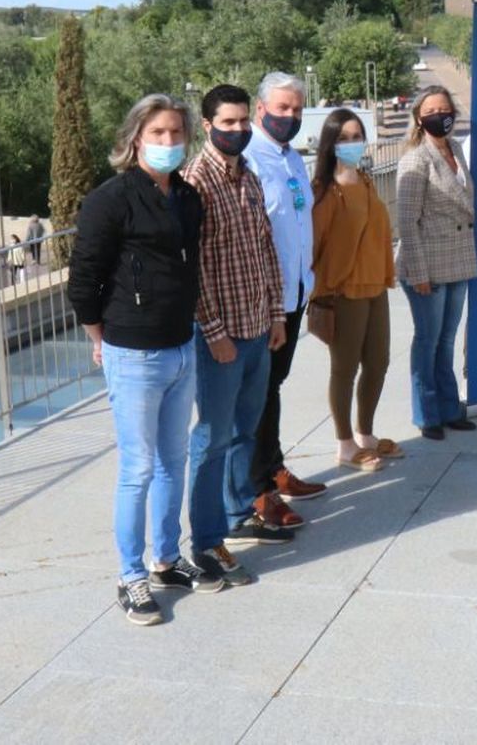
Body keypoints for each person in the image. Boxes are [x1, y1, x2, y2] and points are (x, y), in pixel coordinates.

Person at [68, 92, 225, 628]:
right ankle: (130, 575)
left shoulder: (186, 196)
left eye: (176, 134)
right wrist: (100, 337)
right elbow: (83, 282)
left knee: (172, 460)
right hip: (133, 352)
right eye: (157, 133)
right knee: (137, 468)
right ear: (135, 138)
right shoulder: (109, 201)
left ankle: (165, 558)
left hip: (182, 345)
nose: (168, 143)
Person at [184, 84, 291, 584]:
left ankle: (238, 511)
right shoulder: (196, 183)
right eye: (228, 123)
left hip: (257, 329)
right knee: (212, 440)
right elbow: (194, 269)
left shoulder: (247, 175)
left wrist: (276, 316)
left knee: (246, 431)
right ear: (207, 125)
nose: (240, 129)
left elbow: (265, 251)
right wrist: (214, 331)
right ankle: (206, 542)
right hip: (221, 338)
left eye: (244, 121)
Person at [242, 71, 328, 529]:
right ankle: (258, 491)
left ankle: (274, 467)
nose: (290, 117)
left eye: (296, 109)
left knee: (273, 387)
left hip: (295, 295)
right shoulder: (249, 158)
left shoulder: (293, 159)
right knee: (256, 394)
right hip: (261, 301)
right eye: (282, 109)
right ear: (261, 110)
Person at [312, 107, 401, 468]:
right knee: (344, 370)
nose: (352, 143)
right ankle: (345, 444)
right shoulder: (325, 191)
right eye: (344, 138)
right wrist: (321, 292)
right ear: (331, 144)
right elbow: (314, 246)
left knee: (378, 363)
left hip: (375, 285)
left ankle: (366, 434)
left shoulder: (365, 180)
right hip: (343, 291)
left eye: (356, 136)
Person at [396, 85, 477, 438]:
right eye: (431, 110)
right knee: (427, 341)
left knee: (446, 340)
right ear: (419, 117)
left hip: (458, 259)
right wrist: (418, 272)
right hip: (427, 265)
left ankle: (449, 407)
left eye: (445, 108)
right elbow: (406, 221)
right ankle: (427, 414)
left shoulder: (457, 149)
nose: (439, 115)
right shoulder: (415, 159)